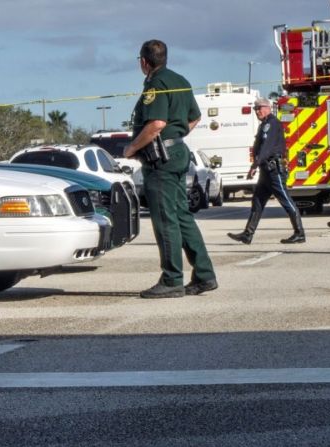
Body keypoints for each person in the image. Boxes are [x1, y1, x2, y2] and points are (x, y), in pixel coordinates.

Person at [123, 39, 217, 299]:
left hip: (161, 159)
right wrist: (178, 135)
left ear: (144, 61)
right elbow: (195, 116)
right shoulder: (181, 80)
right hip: (177, 153)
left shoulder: (156, 83)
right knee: (182, 216)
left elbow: (157, 123)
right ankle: (205, 275)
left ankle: (172, 279)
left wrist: (131, 148)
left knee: (165, 220)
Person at [227, 97, 305, 245]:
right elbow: (258, 146)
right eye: (255, 109)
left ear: (268, 107)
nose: (257, 111)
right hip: (266, 171)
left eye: (259, 108)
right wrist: (254, 166)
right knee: (257, 201)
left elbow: (267, 148)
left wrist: (255, 165)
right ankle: (248, 234)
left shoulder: (273, 123)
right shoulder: (264, 124)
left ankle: (299, 233)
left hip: (274, 170)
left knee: (286, 201)